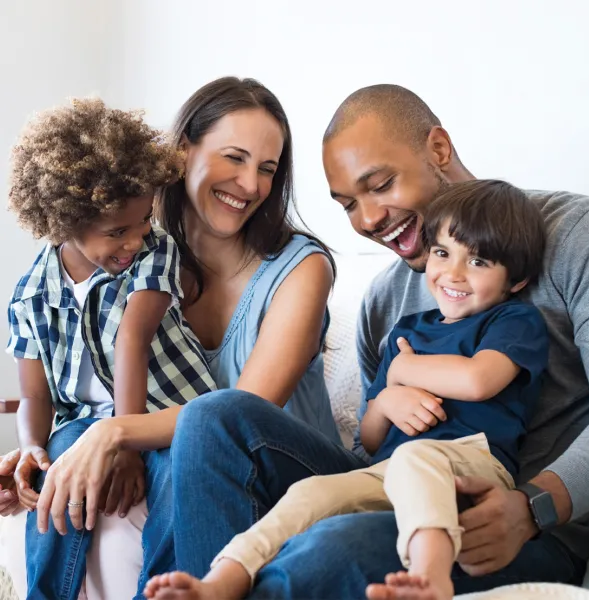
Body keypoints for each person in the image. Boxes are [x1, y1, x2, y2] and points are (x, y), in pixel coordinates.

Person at [139, 84, 589, 599]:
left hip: (514, 524)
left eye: (380, 185)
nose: (368, 220)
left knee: (328, 548)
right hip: (396, 483)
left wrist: (534, 507)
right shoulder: (385, 301)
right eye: (347, 205)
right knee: (212, 416)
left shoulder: (579, 236)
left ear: (438, 150)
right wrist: (386, 400)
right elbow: (371, 448)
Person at [0, 77, 341, 599]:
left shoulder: (301, 269)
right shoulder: (126, 247)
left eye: (268, 169)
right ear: (182, 152)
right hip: (182, 461)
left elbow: (237, 415)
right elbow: (67, 380)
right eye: (235, 158)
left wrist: (115, 433)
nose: (250, 184)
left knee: (193, 438)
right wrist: (39, 450)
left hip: (275, 474)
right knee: (75, 484)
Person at [6, 97, 216, 600]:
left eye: (143, 220)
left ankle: (163, 591)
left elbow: (132, 340)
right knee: (58, 471)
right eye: (117, 231)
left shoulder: (154, 250)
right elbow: (36, 396)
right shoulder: (31, 294)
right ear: (63, 223)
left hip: (169, 413)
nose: (134, 239)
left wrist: (123, 442)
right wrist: (33, 448)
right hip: (82, 423)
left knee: (176, 479)